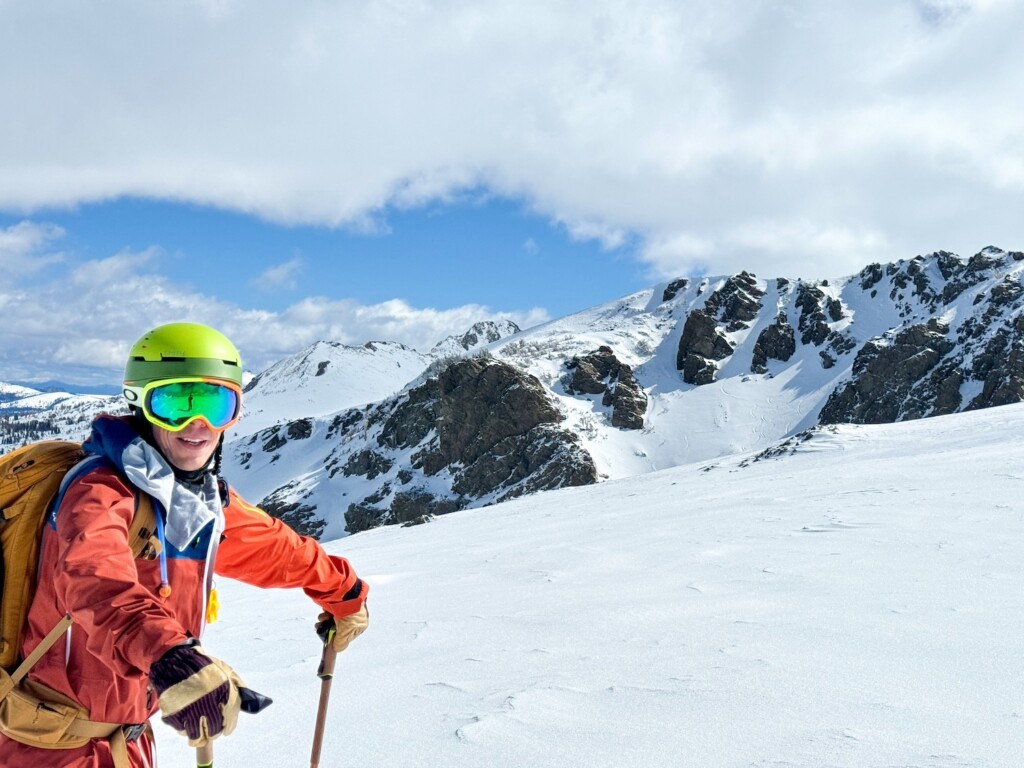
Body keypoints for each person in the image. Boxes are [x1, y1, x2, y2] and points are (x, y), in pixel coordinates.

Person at [0, 322, 369, 767]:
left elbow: (276, 548)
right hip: (48, 749)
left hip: (126, 743)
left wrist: (343, 591)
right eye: (175, 403)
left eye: (216, 404)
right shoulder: (97, 493)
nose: (198, 425)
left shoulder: (194, 500)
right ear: (141, 405)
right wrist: (170, 658)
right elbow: (95, 582)